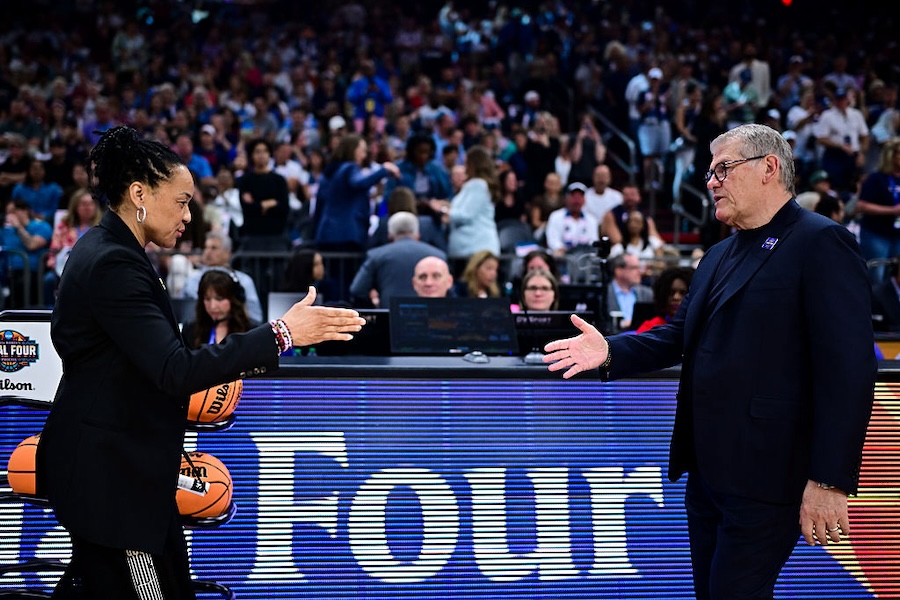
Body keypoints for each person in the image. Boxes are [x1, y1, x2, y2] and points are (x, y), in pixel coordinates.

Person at [543, 124, 875, 600]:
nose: (712, 181)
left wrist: (829, 480)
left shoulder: (822, 242)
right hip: (708, 474)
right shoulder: (718, 254)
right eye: (710, 171)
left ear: (769, 168)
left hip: (770, 475)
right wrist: (612, 351)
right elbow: (680, 335)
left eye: (724, 168)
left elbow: (849, 370)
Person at [36, 125, 365, 600]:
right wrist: (283, 333)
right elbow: (175, 371)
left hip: (111, 467)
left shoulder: (106, 249)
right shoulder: (113, 262)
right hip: (113, 477)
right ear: (138, 193)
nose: (190, 214)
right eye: (183, 201)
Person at [314, 133, 400, 252]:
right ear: (353, 150)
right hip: (347, 234)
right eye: (362, 151)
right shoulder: (350, 168)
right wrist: (384, 170)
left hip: (326, 233)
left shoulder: (329, 172)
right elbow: (360, 183)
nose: (364, 156)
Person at [350, 211, 446, 307]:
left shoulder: (376, 255)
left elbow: (357, 289)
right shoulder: (438, 255)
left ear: (390, 235)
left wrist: (374, 308)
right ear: (418, 234)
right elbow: (450, 290)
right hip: (431, 316)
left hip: (389, 315)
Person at [182, 231, 264, 323]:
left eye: (214, 248)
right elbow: (182, 313)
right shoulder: (192, 280)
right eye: (206, 247)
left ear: (227, 253)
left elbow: (255, 317)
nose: (207, 252)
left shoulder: (244, 281)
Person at [44, 188, 103, 306]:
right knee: (49, 279)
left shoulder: (101, 226)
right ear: (75, 206)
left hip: (93, 268)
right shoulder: (64, 225)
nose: (87, 208)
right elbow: (54, 249)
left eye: (91, 204)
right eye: (83, 204)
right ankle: (51, 311)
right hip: (64, 267)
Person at [855, 138, 900, 283]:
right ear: (891, 156)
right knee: (877, 277)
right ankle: (874, 305)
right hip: (877, 234)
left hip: (897, 234)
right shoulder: (876, 179)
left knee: (895, 276)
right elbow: (862, 206)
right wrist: (892, 210)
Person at [447, 145, 501, 259]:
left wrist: (443, 211)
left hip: (477, 248)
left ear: (474, 164)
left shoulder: (478, 185)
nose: (465, 167)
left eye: (466, 163)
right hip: (469, 249)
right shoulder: (473, 185)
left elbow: (466, 214)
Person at [237, 137, 291, 251]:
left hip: (276, 236)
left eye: (265, 151)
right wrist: (270, 203)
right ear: (251, 155)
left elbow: (283, 208)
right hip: (253, 236)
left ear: (269, 154)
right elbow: (248, 208)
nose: (261, 155)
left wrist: (258, 204)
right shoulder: (245, 181)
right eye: (257, 151)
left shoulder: (279, 180)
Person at [181, 269, 256, 349]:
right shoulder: (190, 330)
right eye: (207, 299)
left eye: (219, 299)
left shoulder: (251, 332)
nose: (213, 306)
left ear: (233, 299)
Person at [1, 199, 53, 308]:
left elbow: (32, 245)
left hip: (32, 272)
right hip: (7, 272)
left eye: (13, 211)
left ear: (25, 211)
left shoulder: (41, 226)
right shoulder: (5, 231)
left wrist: (18, 227)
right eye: (8, 212)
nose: (10, 216)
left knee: (22, 283)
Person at [544, 182, 600, 257]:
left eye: (580, 197)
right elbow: (553, 240)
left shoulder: (591, 219)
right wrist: (561, 249)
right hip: (563, 257)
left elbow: (593, 241)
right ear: (566, 198)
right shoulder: (556, 216)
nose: (576, 200)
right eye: (573, 196)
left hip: (585, 257)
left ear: (584, 200)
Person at [636, 266, 694, 333]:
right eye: (671, 292)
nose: (676, 297)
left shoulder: (702, 329)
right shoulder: (650, 327)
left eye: (683, 293)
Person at [606, 253, 654, 330]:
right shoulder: (603, 294)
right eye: (635, 268)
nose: (640, 272)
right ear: (619, 271)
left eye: (640, 267)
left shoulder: (648, 294)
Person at [11, 159, 64, 224]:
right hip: (24, 220)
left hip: (48, 221)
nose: (37, 171)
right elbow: (13, 206)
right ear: (29, 171)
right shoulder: (19, 189)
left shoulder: (54, 188)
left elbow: (56, 208)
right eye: (34, 168)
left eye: (40, 168)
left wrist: (44, 215)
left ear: (45, 170)